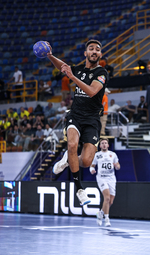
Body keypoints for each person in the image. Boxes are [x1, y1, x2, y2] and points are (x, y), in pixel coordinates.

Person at [47, 39, 109, 206]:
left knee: (87, 161)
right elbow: (63, 67)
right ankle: (79, 189)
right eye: (91, 49)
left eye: (97, 49)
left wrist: (72, 77)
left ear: (100, 54)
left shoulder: (102, 73)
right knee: (72, 144)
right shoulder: (78, 69)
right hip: (75, 115)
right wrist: (50, 55)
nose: (94, 51)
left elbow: (91, 91)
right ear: (86, 53)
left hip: (93, 119)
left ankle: (68, 159)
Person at [90, 138, 120, 227]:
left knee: (110, 201)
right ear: (100, 146)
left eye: (105, 143)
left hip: (111, 179)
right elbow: (92, 166)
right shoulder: (97, 155)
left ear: (108, 145)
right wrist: (92, 170)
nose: (104, 144)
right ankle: (106, 219)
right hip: (101, 178)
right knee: (106, 198)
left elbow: (118, 165)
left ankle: (100, 213)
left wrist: (117, 166)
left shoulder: (112, 154)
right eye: (102, 143)